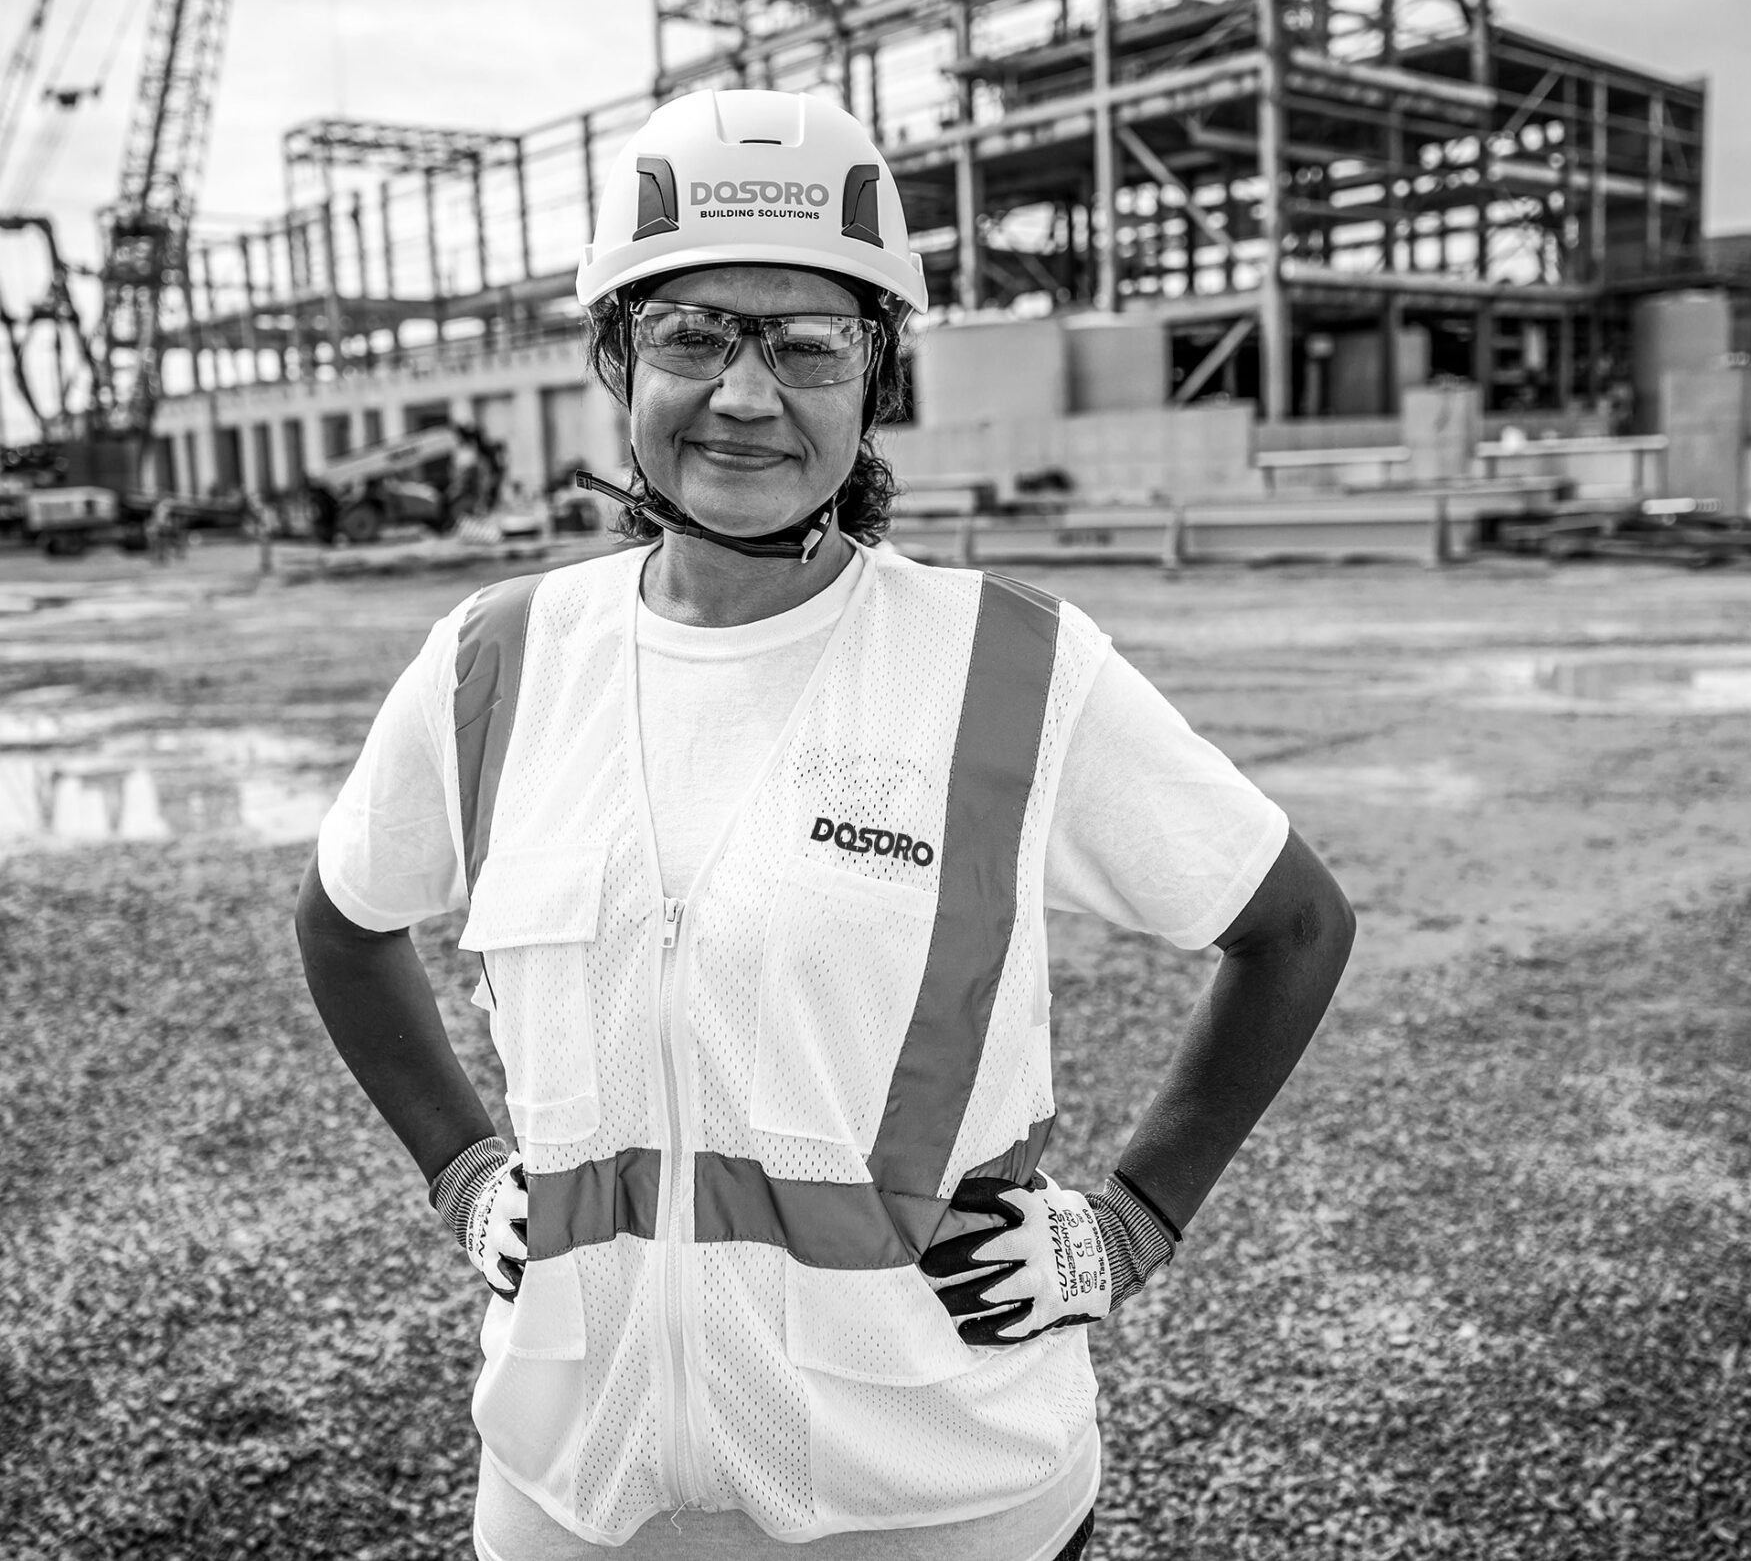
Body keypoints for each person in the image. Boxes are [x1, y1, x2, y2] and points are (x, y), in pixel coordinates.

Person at [295, 88, 1354, 1561]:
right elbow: (342, 926)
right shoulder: (496, 660)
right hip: (568, 1499)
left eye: (809, 344)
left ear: (877, 378)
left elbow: (1293, 927)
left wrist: (1131, 1223)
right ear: (617, 357)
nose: (745, 393)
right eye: (692, 335)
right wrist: (463, 1170)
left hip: (933, 1503)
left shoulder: (1009, 667)